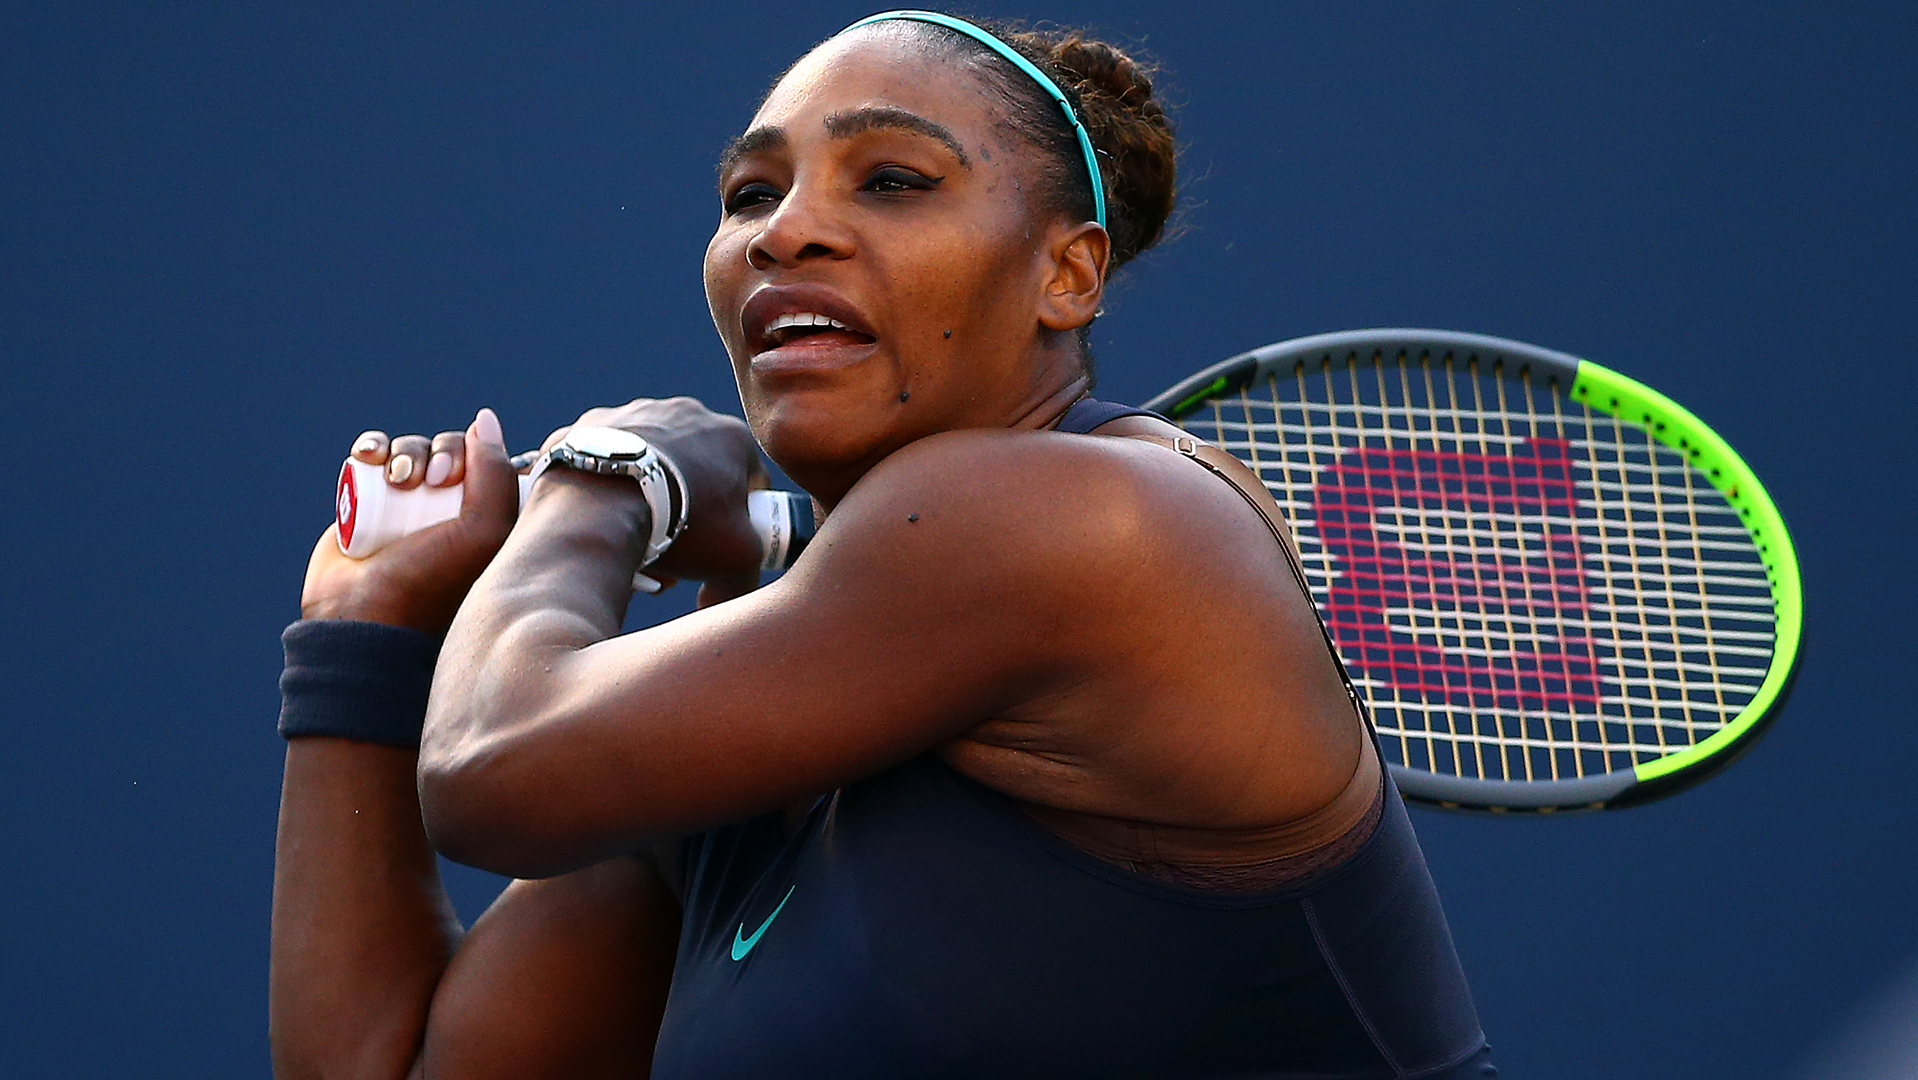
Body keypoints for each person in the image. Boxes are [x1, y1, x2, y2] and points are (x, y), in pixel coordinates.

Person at [270, 11, 1495, 1079]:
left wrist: (609, 482)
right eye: (752, 195)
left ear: (1068, 274)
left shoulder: (1084, 517)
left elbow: (496, 769)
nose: (785, 232)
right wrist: (364, 628)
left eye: (893, 181)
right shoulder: (775, 678)